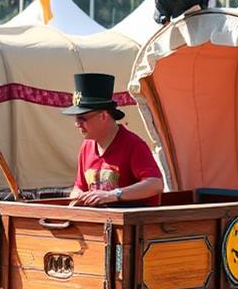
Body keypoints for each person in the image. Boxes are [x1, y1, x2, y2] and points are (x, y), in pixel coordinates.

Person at [61, 73, 163, 207]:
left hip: (131, 226)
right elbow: (78, 187)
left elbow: (155, 184)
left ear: (103, 115)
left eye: (82, 118)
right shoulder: (86, 146)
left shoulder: (133, 145)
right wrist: (78, 196)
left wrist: (113, 195)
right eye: (76, 119)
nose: (77, 124)